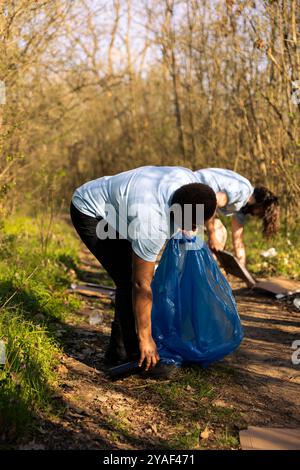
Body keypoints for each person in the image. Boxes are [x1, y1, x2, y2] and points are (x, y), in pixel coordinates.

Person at [70, 166, 217, 378]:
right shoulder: (152, 224)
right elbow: (141, 285)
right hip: (91, 210)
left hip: (121, 205)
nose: (197, 226)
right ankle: (135, 355)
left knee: (131, 275)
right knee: (128, 278)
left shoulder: (188, 180)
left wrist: (189, 223)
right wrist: (146, 337)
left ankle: (118, 351)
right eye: (194, 222)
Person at [193, 168, 280, 266]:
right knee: (197, 240)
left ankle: (205, 271)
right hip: (190, 193)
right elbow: (213, 201)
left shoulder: (242, 207)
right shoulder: (243, 191)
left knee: (220, 233)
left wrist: (242, 269)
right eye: (261, 213)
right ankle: (198, 272)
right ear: (260, 205)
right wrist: (212, 236)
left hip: (199, 202)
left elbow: (238, 240)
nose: (257, 216)